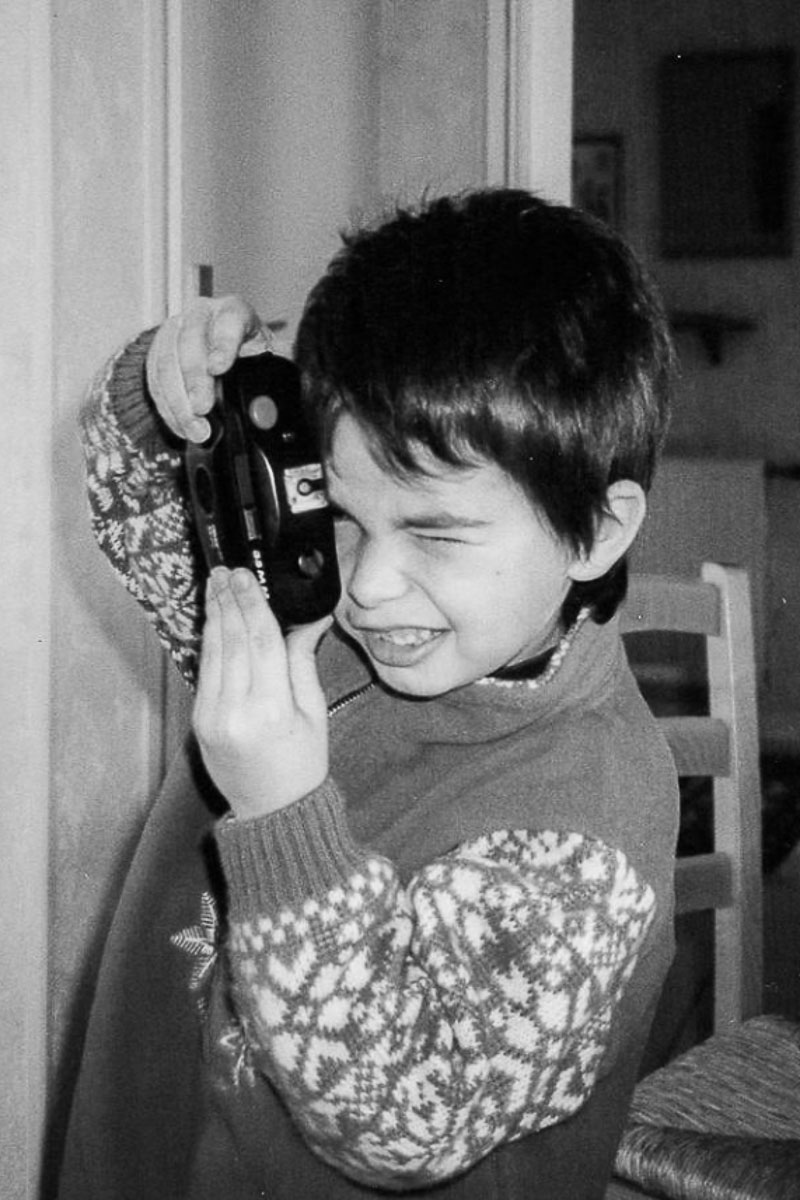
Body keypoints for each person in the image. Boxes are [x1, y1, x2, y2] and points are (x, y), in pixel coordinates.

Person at [59, 188, 678, 1199]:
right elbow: (145, 521)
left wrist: (281, 813)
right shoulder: (327, 633)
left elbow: (400, 1115)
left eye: (435, 531)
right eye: (344, 514)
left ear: (597, 530)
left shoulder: (590, 815)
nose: (365, 584)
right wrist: (163, 394)